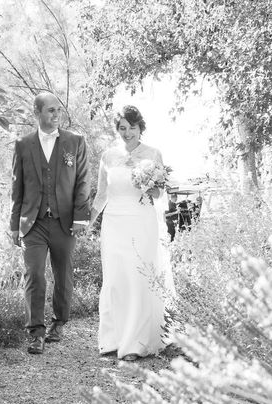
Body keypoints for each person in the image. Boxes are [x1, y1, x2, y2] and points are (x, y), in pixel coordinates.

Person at [10, 92, 90, 354]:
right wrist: (14, 224)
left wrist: (81, 216)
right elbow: (17, 187)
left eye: (58, 111)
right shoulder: (23, 144)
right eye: (50, 111)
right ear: (37, 113)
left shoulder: (75, 142)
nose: (56, 116)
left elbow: (82, 182)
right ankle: (36, 331)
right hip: (32, 222)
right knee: (34, 274)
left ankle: (59, 321)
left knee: (63, 274)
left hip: (64, 221)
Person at [89, 105, 172, 361]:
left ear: (140, 128)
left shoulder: (153, 153)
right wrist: (86, 222)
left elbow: (160, 195)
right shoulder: (108, 156)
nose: (127, 133)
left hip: (141, 222)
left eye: (132, 128)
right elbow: (102, 195)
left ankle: (136, 343)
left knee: (138, 278)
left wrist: (149, 185)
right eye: (122, 128)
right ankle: (113, 339)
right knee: (114, 279)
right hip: (113, 223)